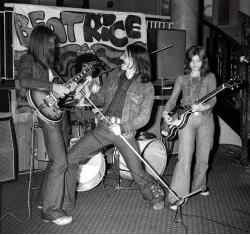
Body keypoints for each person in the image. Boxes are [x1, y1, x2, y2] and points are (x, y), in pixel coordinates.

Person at [62, 43, 165, 215]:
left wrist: (123, 126)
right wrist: (88, 95)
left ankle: (156, 194)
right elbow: (101, 98)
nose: (121, 58)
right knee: (71, 156)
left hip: (125, 133)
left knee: (137, 172)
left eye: (126, 55)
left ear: (135, 60)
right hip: (104, 128)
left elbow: (144, 116)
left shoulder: (146, 86)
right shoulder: (114, 76)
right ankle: (65, 204)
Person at [18, 25, 77, 225]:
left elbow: (57, 91)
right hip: (46, 117)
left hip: (59, 114)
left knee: (56, 161)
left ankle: (44, 201)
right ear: (41, 41)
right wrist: (53, 86)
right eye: (50, 41)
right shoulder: (28, 59)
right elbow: (24, 81)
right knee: (60, 161)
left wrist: (69, 87)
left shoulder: (49, 64)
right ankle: (51, 212)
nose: (54, 44)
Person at [162, 45, 217, 211]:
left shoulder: (210, 76)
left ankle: (199, 186)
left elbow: (214, 100)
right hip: (185, 119)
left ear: (203, 61)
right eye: (192, 60)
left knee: (203, 157)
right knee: (185, 157)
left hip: (206, 120)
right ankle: (176, 196)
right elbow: (173, 99)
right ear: (188, 61)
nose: (195, 63)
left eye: (198, 60)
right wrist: (166, 111)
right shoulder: (181, 77)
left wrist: (203, 107)